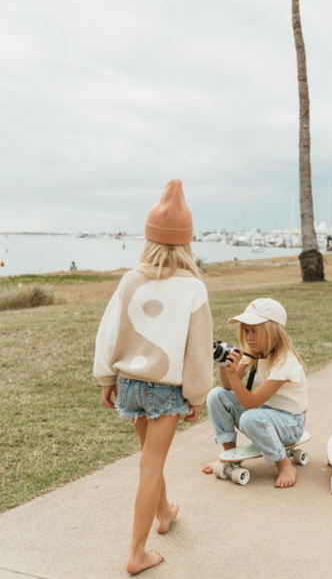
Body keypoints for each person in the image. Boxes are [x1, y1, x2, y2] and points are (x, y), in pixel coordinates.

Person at [93, 179, 213, 575]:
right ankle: (136, 553)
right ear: (186, 242)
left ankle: (164, 513)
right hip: (165, 390)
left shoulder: (131, 279)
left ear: (149, 237)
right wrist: (197, 395)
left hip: (130, 386)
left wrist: (107, 378)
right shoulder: (193, 288)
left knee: (149, 460)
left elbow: (109, 331)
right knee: (151, 465)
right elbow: (198, 348)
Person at [202, 298, 308, 489]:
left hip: (291, 424)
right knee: (215, 395)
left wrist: (234, 377)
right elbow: (226, 387)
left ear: (273, 332)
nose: (249, 337)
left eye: (255, 331)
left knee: (250, 417)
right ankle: (231, 457)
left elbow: (250, 404)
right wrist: (225, 363)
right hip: (262, 415)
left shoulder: (286, 362)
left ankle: (285, 464)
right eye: (247, 331)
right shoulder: (254, 353)